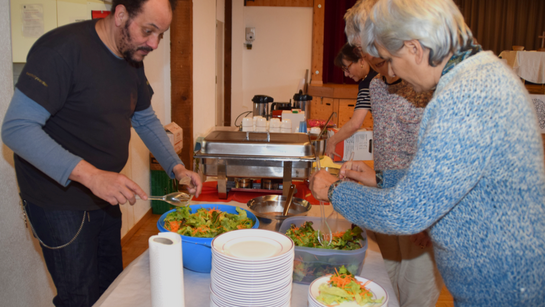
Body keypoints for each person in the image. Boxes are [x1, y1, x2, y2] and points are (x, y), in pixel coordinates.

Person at [310, 0, 545, 306]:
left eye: (391, 60)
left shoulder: (466, 94)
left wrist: (334, 190)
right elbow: (442, 180)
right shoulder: (479, 74)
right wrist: (381, 177)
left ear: (415, 49)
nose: (392, 72)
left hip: (502, 292)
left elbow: (407, 211)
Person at [1, 0, 202, 306]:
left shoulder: (131, 55)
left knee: (111, 287)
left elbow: (144, 117)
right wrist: (92, 176)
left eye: (161, 34)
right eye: (149, 31)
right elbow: (16, 129)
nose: (154, 43)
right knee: (79, 297)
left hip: (105, 196)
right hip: (60, 202)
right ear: (121, 14)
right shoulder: (62, 50)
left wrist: (176, 167)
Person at [325, 43, 377, 158]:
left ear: (362, 60)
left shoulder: (369, 83)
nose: (346, 74)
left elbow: (355, 123)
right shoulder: (378, 74)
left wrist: (332, 141)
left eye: (347, 68)